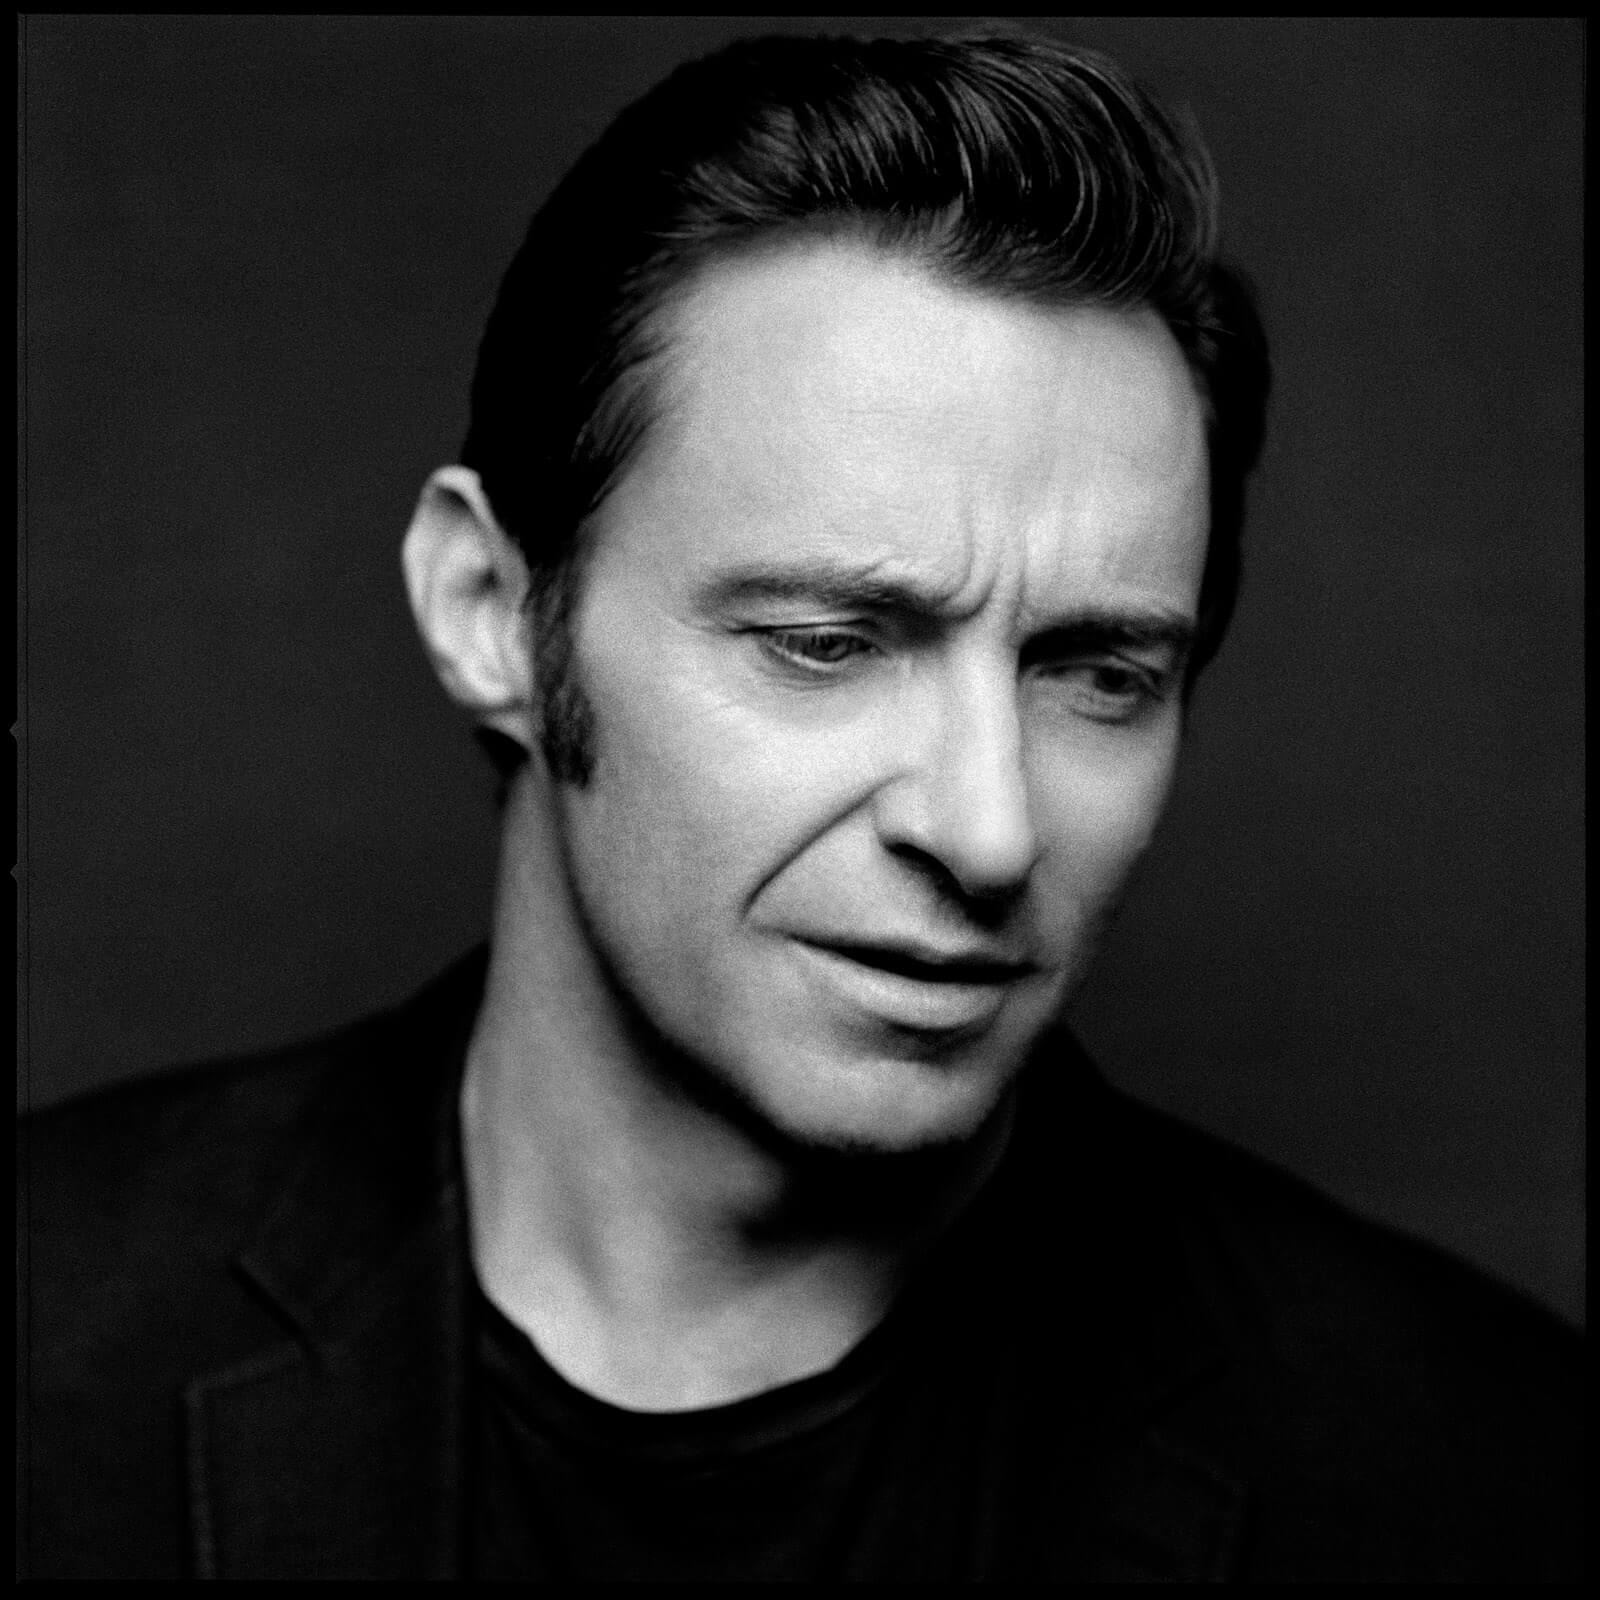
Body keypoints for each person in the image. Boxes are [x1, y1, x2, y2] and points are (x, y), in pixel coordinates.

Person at [17, 31, 1580, 1583]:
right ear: (491, 611)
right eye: (826, 644)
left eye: (1095, 674)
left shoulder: (1480, 1474)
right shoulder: (48, 1325)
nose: (989, 832)